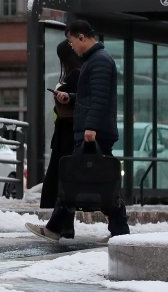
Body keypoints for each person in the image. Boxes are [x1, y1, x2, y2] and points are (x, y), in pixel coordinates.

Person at [31, 20, 130, 241]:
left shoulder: (100, 62)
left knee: (76, 179)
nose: (72, 46)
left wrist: (91, 127)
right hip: (94, 130)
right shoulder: (94, 61)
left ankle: (57, 228)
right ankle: (118, 230)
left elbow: (100, 98)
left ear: (82, 37)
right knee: (92, 180)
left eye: (72, 41)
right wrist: (71, 97)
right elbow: (90, 97)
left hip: (96, 132)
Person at [38, 40, 82, 207]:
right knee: (61, 172)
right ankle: (57, 209)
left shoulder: (76, 74)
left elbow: (79, 99)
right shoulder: (81, 72)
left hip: (67, 132)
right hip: (67, 131)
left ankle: (53, 209)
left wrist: (64, 94)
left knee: (59, 173)